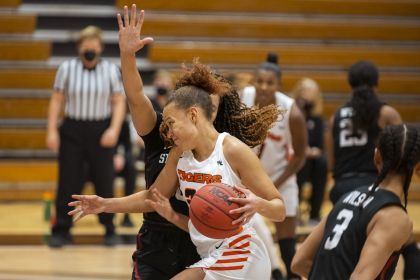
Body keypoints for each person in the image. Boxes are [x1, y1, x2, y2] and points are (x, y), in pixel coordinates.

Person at [326, 60, 420, 279]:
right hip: (375, 187)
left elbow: (331, 162)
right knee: (410, 247)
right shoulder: (386, 113)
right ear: (377, 82)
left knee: (354, 252)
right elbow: (403, 150)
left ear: (350, 84)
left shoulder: (336, 116)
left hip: (342, 189)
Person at [291, 124, 420, 280]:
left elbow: (299, 262)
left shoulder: (348, 196)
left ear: (376, 157)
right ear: (418, 169)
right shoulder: (394, 217)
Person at [46, 25, 126, 247]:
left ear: (100, 47)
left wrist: (114, 130)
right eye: (85, 44)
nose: (89, 48)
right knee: (68, 181)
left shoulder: (111, 70)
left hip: (101, 131)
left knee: (104, 180)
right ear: (79, 47)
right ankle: (61, 230)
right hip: (72, 130)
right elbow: (57, 100)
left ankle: (110, 229)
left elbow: (119, 102)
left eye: (93, 44)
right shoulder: (66, 68)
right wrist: (52, 130)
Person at [241, 53, 307, 280]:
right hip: (246, 179)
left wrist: (272, 187)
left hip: (281, 179)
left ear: (278, 85)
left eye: (270, 83)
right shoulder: (244, 97)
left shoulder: (292, 111)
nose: (263, 86)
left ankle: (289, 274)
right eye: (259, 81)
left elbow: (300, 155)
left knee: (288, 247)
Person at [291, 78, 327, 225]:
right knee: (302, 164)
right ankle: (296, 211)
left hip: (312, 157)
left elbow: (319, 144)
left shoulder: (317, 117)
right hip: (296, 155)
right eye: (306, 91)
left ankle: (314, 213)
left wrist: (313, 150)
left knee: (321, 164)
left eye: (312, 92)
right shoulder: (293, 112)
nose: (308, 95)